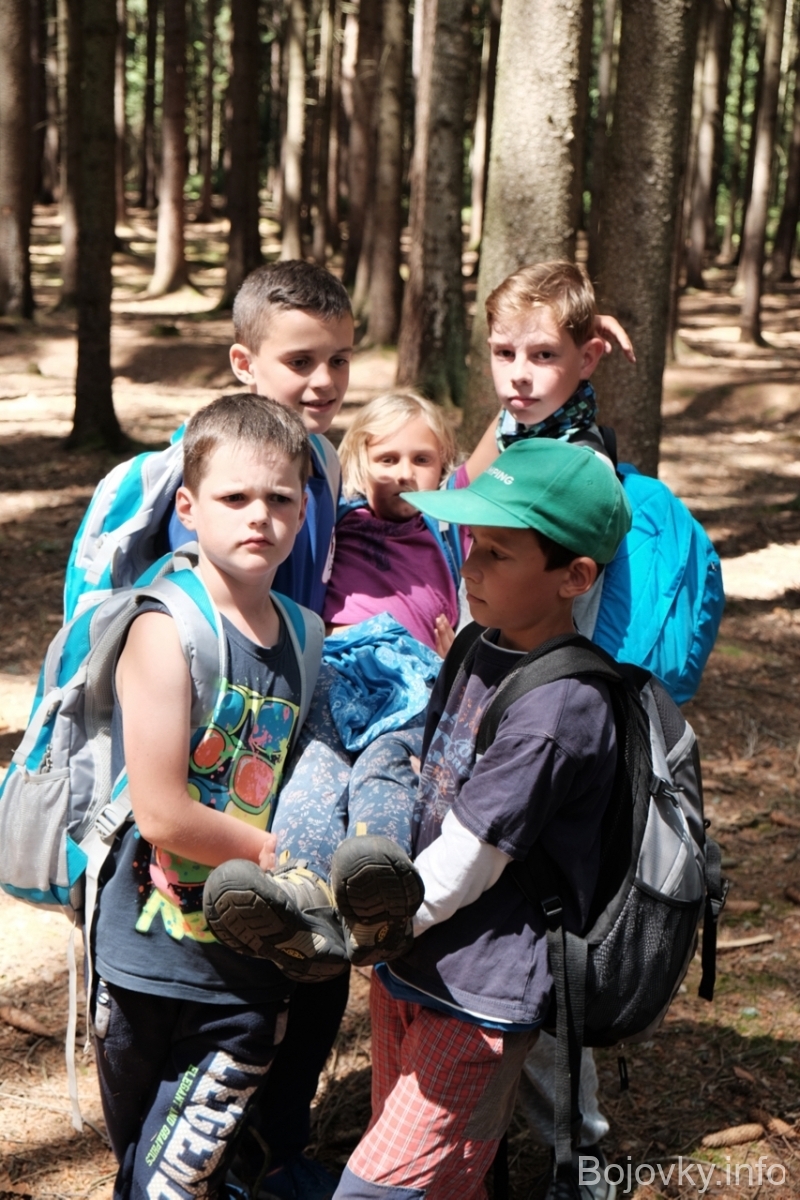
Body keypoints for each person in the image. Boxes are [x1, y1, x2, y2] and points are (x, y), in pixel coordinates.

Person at [324, 438, 632, 1200]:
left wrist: (364, 925)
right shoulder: (477, 644)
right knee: (437, 1174)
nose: (471, 566)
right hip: (413, 960)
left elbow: (470, 856)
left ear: (575, 577)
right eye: (472, 543)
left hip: (480, 991)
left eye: (498, 552)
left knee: (378, 1188)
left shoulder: (561, 708)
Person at [91, 394, 317, 1200]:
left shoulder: (306, 635)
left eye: (280, 498)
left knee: (173, 1181)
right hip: (144, 960)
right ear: (187, 509)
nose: (260, 515)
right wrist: (275, 855)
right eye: (235, 497)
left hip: (248, 973)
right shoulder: (166, 629)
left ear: (304, 511)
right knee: (141, 1164)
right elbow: (159, 812)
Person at [169, 260, 354, 617]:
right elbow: (195, 612)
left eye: (339, 361)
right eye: (300, 362)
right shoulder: (211, 467)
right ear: (244, 364)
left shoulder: (324, 459)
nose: (325, 381)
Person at [324, 390, 462, 652]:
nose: (405, 474)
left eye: (422, 460)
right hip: (338, 662)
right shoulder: (336, 516)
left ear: (442, 465)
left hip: (421, 671)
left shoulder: (448, 528)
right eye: (387, 460)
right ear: (360, 464)